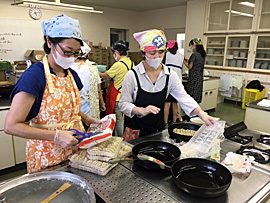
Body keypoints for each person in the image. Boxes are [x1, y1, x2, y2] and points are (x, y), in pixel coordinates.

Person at [4, 14, 99, 173]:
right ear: (49, 42)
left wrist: (87, 119)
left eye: (76, 53)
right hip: (48, 155)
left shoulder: (70, 74)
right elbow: (11, 126)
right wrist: (56, 136)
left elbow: (67, 108)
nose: (72, 58)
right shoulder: (34, 76)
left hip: (75, 150)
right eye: (67, 51)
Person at [119, 29, 215, 137]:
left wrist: (201, 113)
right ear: (143, 54)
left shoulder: (170, 75)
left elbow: (183, 97)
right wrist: (141, 110)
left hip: (157, 130)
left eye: (161, 52)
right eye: (152, 53)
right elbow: (123, 104)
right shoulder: (132, 75)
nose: (157, 57)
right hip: (135, 131)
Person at [99, 40, 134, 137]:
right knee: (123, 119)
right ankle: (124, 137)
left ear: (117, 52)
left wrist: (94, 71)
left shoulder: (118, 64)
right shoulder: (131, 63)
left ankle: (119, 139)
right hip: (127, 96)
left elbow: (105, 76)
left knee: (118, 120)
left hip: (118, 97)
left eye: (114, 53)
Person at [71, 42, 106, 123]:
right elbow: (98, 90)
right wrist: (102, 103)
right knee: (91, 130)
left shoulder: (68, 68)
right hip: (90, 107)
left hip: (74, 106)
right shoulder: (93, 69)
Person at [163, 40, 184, 125]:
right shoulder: (181, 56)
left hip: (168, 82)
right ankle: (175, 121)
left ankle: (165, 122)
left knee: (167, 103)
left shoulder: (166, 55)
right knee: (175, 103)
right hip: (178, 82)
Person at [183, 38, 206, 103]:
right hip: (199, 77)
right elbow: (194, 62)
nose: (190, 47)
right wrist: (186, 60)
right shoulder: (202, 55)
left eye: (191, 45)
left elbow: (190, 67)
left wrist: (183, 62)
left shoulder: (194, 54)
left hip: (193, 78)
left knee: (191, 96)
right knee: (197, 96)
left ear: (195, 45)